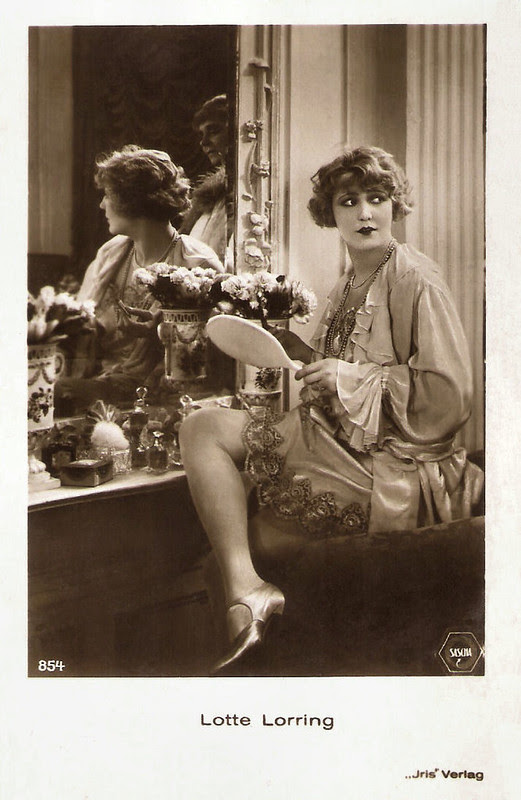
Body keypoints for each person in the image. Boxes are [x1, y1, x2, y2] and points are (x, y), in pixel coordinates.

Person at [179, 145, 484, 675]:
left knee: (260, 534)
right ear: (331, 213)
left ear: (395, 206)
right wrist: (302, 356)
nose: (365, 213)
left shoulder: (415, 278)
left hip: (393, 459)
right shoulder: (349, 279)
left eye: (377, 199)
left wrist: (347, 377)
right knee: (200, 426)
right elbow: (342, 365)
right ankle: (248, 588)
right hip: (334, 437)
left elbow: (450, 396)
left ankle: (248, 603)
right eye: (349, 202)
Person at [55, 145, 224, 413]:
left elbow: (212, 357)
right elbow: (85, 322)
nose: (102, 204)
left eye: (107, 195)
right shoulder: (111, 253)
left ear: (132, 200)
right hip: (103, 383)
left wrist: (160, 330)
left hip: (165, 397)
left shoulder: (196, 262)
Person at [179, 94, 233, 268]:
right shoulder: (211, 198)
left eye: (214, 131)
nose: (203, 142)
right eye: (202, 134)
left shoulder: (244, 194)